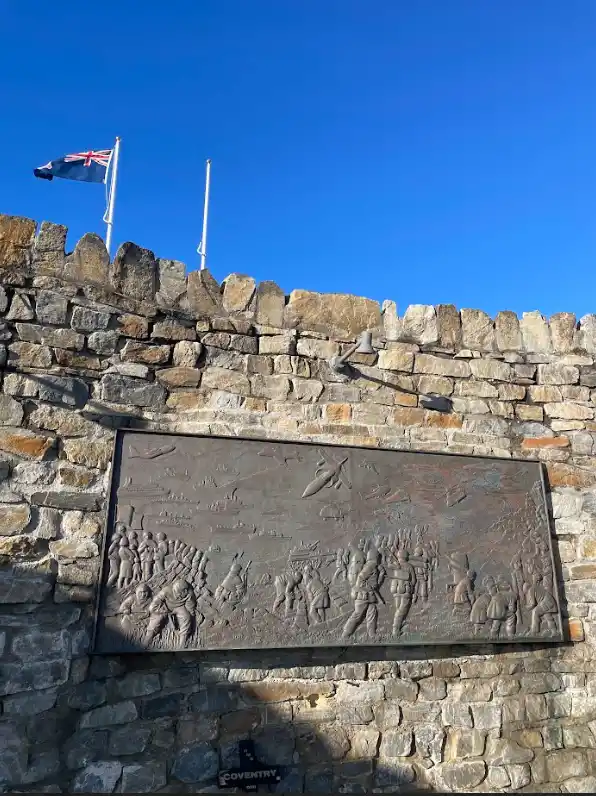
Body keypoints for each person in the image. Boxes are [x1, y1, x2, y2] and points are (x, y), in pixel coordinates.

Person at [342, 549, 383, 639]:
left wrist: (381, 575)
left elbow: (375, 584)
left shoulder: (371, 566)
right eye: (378, 558)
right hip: (363, 595)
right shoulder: (370, 566)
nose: (379, 560)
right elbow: (361, 578)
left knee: (372, 611)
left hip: (368, 595)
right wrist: (366, 588)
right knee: (357, 614)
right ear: (375, 558)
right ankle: (346, 633)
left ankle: (371, 634)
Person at [145, 578, 196, 645]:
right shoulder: (166, 591)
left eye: (180, 594)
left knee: (186, 616)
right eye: (176, 593)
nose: (178, 596)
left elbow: (190, 609)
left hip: (179, 607)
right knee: (156, 619)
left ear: (185, 591)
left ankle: (182, 644)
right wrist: (159, 611)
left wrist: (191, 619)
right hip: (164, 607)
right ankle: (147, 641)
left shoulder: (189, 594)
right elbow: (154, 604)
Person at [389, 549, 415, 636]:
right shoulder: (409, 566)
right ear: (406, 556)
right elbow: (414, 580)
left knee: (398, 609)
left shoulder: (395, 565)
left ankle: (400, 624)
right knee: (402, 609)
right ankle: (395, 629)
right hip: (405, 590)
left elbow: (388, 565)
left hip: (396, 590)